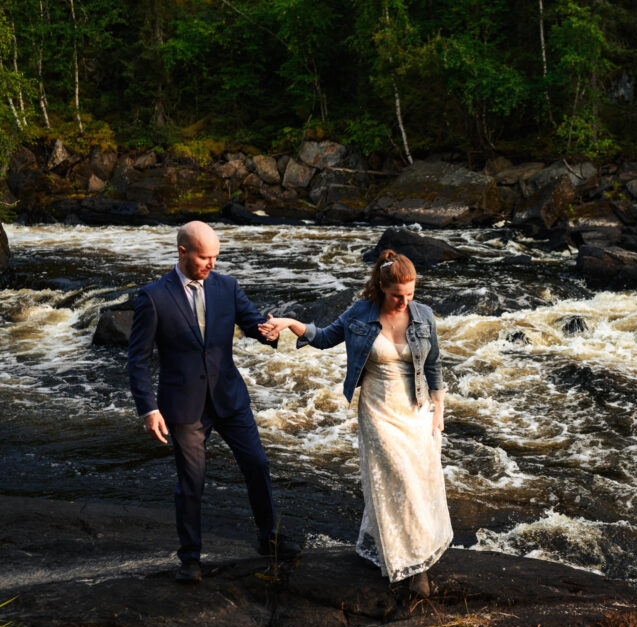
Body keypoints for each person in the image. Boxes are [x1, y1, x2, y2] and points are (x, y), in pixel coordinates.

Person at [259, 250, 451, 597]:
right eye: (398, 295)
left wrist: (438, 410)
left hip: (416, 408)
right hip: (378, 409)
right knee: (398, 480)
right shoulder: (360, 313)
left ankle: (412, 552)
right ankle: (414, 564)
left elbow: (433, 363)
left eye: (410, 294)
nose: (404, 302)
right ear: (382, 287)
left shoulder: (423, 315)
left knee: (419, 482)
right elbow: (324, 338)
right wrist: (288, 322)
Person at [127, 221, 300, 583]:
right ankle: (190, 558)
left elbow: (253, 325)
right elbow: (138, 360)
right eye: (205, 257)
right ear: (183, 252)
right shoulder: (153, 296)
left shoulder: (227, 286)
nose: (212, 263)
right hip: (184, 405)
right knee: (192, 481)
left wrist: (271, 330)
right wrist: (149, 408)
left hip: (229, 397)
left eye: (216, 257)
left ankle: (268, 538)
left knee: (257, 464)